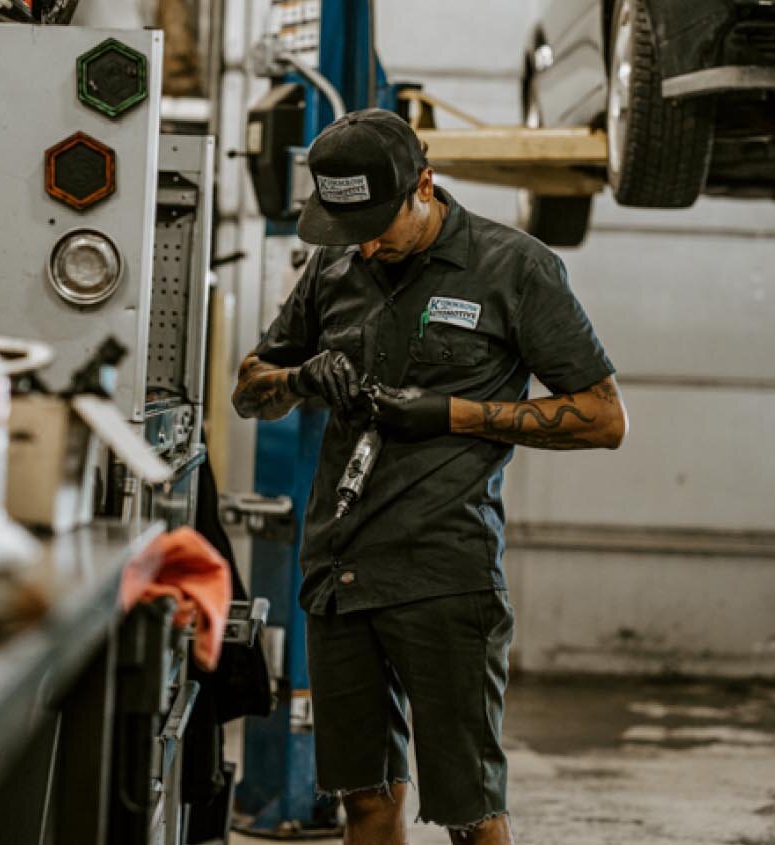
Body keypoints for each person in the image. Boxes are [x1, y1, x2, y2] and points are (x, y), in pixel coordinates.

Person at [230, 109, 628, 845]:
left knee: (468, 812)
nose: (368, 243)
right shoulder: (337, 262)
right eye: (352, 228)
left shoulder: (515, 267)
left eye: (381, 222)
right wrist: (304, 377)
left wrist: (455, 413)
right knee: (366, 801)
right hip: (339, 574)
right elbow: (250, 386)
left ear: (426, 184)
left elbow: (603, 418)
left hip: (445, 574)